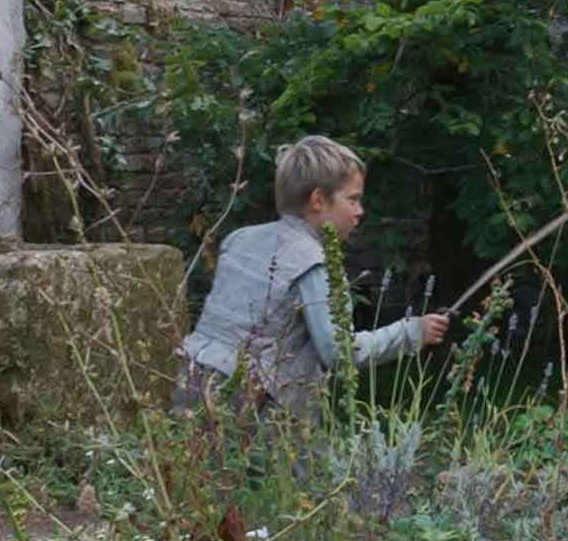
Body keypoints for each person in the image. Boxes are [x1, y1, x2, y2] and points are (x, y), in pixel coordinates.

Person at [174, 135, 449, 421]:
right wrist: (412, 332)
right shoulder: (312, 263)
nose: (360, 211)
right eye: (353, 199)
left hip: (192, 383)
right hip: (255, 407)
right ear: (318, 200)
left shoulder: (238, 240)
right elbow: (340, 352)